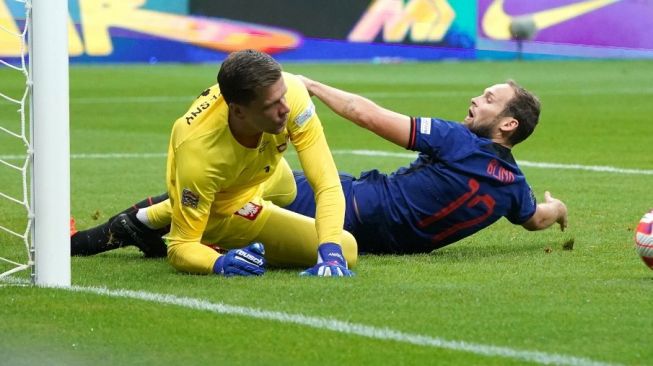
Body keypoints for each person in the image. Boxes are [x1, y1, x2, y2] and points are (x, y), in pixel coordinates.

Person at [71, 76, 566, 259]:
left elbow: (368, 116)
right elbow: (534, 219)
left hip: (346, 209)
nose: (474, 99)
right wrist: (557, 207)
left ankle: (101, 237)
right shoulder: (513, 187)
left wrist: (313, 87)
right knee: (234, 197)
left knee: (227, 195)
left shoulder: (459, 142)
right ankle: (164, 233)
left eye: (488, 100)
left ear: (507, 126)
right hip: (375, 232)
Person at [74, 49, 359, 278]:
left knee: (289, 191)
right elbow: (180, 247)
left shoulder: (290, 95)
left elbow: (326, 183)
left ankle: (147, 219)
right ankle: (198, 221)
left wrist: (328, 251)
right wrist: (218, 263)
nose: (285, 107)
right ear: (238, 111)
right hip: (225, 206)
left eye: (283, 95)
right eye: (272, 105)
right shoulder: (200, 154)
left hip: (258, 175)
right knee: (348, 248)